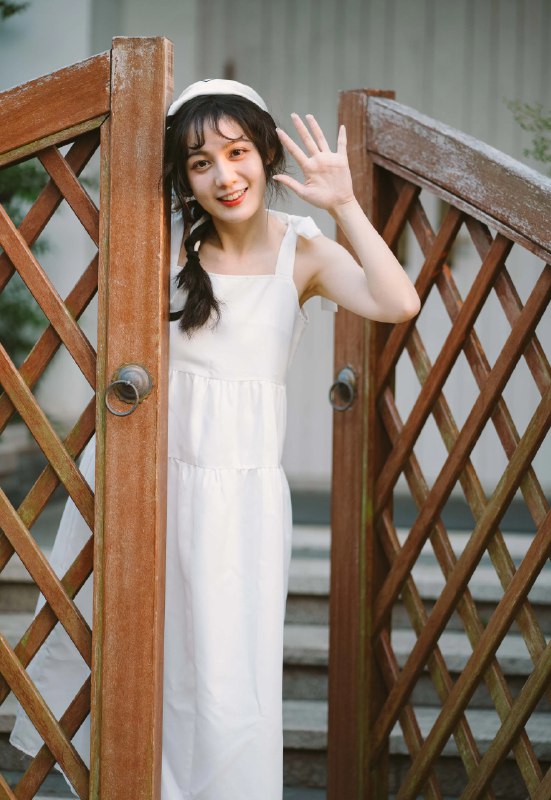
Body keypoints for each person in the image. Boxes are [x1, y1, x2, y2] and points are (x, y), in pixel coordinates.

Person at [9, 79, 420, 799]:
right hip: (145, 478)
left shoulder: (301, 251)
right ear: (182, 176)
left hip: (239, 499)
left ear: (264, 155)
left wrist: (344, 205)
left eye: (237, 153)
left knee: (228, 682)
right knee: (132, 658)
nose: (224, 176)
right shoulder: (163, 245)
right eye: (200, 163)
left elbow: (397, 302)